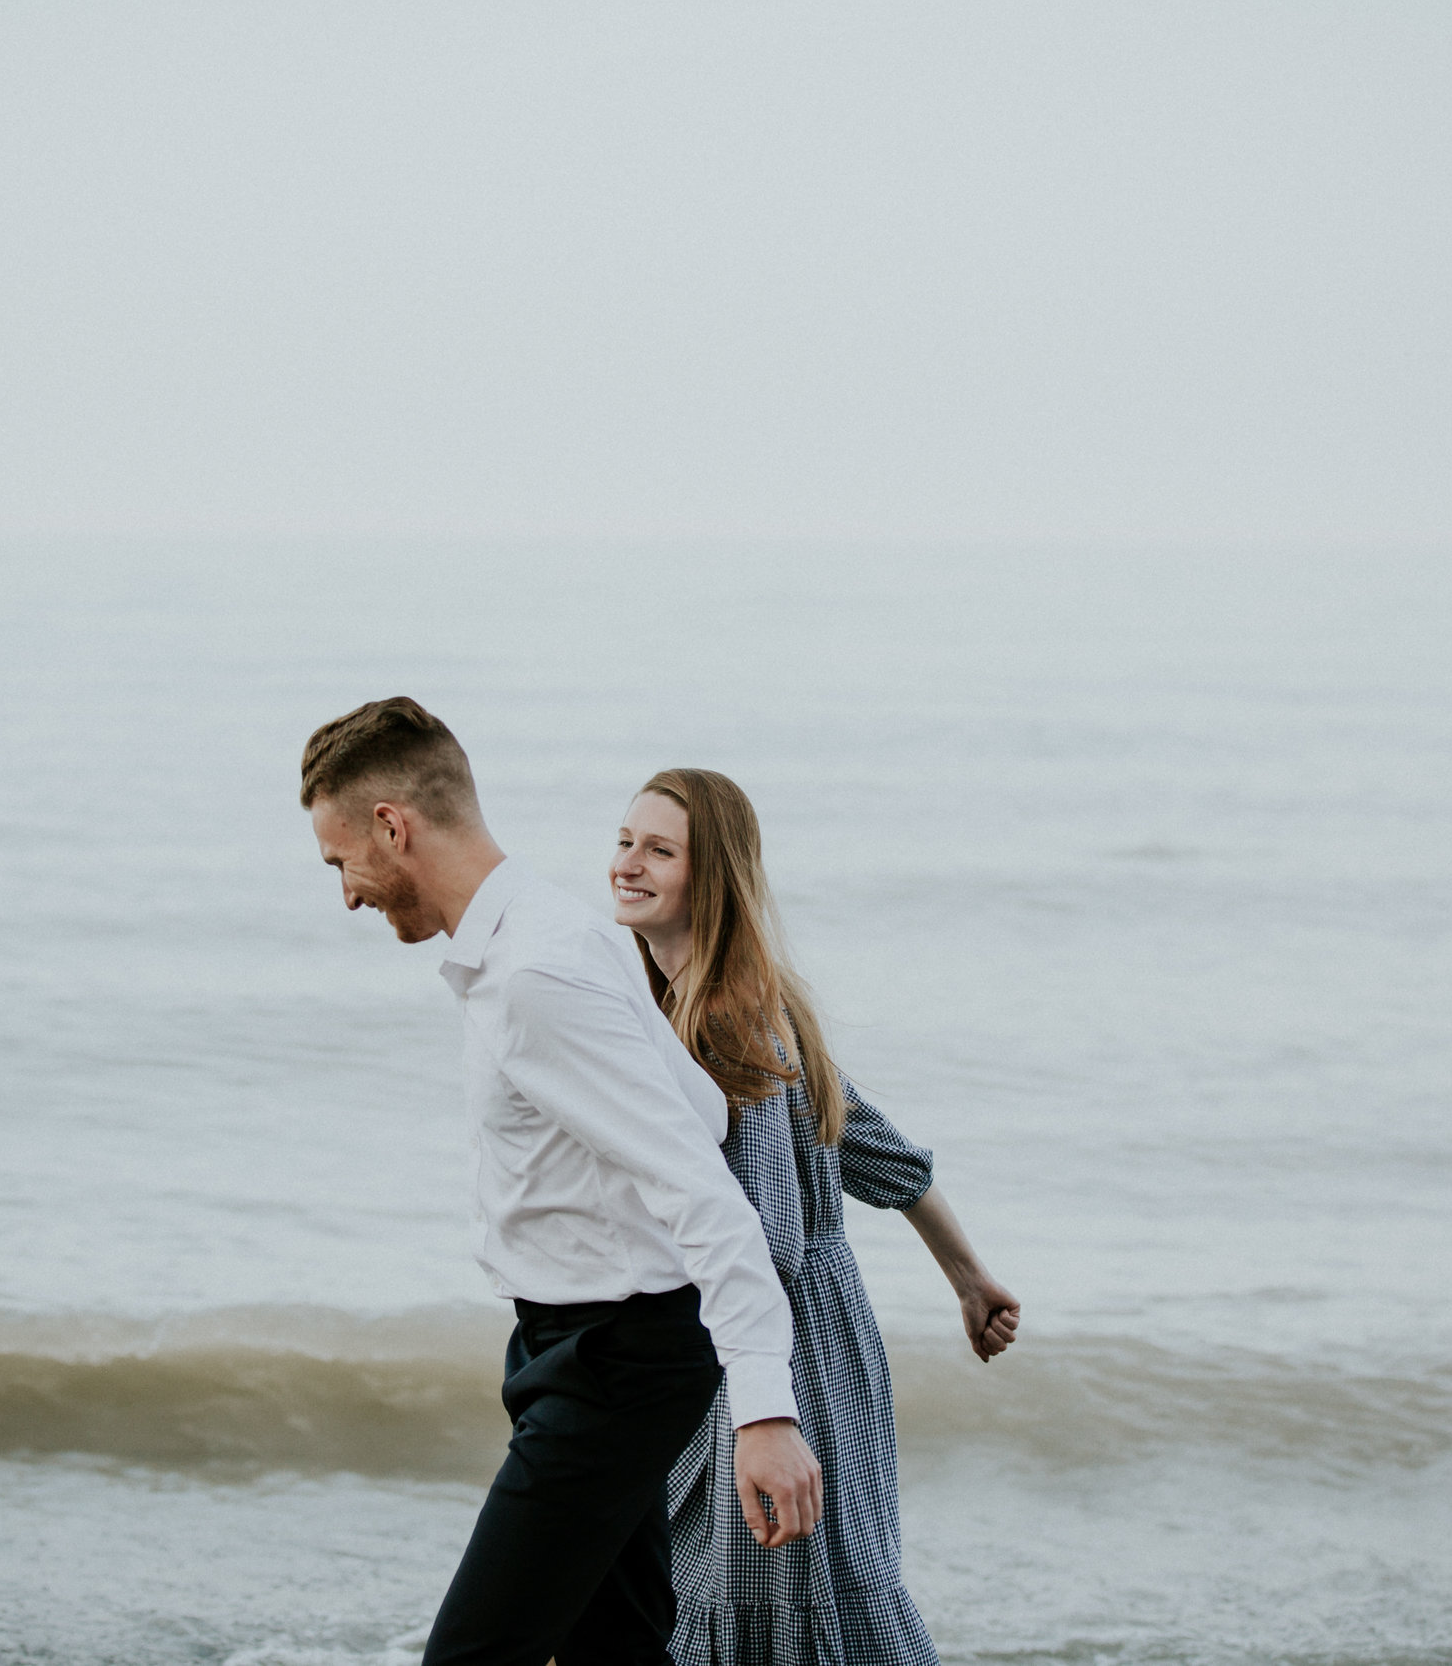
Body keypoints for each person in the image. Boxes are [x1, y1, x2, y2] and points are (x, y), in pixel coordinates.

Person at [298, 698, 827, 1666]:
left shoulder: (537, 971)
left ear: (392, 825)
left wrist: (765, 1409)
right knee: (613, 1649)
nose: (347, 893)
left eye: (342, 862)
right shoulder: (551, 933)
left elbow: (700, 1188)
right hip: (573, 1344)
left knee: (472, 1653)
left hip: (614, 1362)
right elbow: (701, 1116)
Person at [610, 768, 1022, 1664]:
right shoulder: (744, 998)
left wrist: (761, 1398)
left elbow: (770, 1240)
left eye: (659, 850)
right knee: (815, 1593)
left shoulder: (723, 1021)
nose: (628, 865)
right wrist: (969, 1276)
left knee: (765, 1602)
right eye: (624, 841)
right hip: (819, 1339)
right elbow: (882, 1153)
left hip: (776, 1351)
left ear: (708, 876)